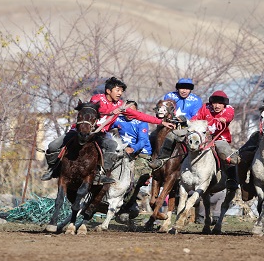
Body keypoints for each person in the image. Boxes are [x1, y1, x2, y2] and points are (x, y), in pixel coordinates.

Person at [42, 77, 174, 184]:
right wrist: (111, 111)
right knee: (53, 145)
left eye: (121, 91)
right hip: (81, 131)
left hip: (99, 135)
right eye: (117, 90)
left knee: (112, 145)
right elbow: (96, 110)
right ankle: (52, 170)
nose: (120, 93)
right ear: (108, 90)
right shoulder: (97, 99)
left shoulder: (119, 105)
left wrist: (161, 122)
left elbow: (139, 115)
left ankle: (102, 174)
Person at [148, 78, 203, 169]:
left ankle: (187, 165)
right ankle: (150, 161)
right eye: (181, 88)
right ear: (178, 88)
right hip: (168, 124)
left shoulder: (196, 100)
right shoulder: (169, 96)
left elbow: (195, 118)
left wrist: (183, 121)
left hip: (186, 126)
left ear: (190, 89)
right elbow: (164, 112)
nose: (184, 91)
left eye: (187, 88)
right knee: (152, 136)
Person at [190, 90, 238, 190]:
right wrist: (190, 122)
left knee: (226, 153)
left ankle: (232, 179)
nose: (217, 106)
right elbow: (196, 117)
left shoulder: (228, 109)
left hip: (220, 138)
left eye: (220, 103)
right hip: (203, 137)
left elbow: (229, 116)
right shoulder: (205, 107)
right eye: (215, 103)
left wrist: (224, 119)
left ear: (224, 104)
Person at [111, 100, 153, 185]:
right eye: (127, 111)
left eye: (132, 111)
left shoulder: (142, 122)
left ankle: (137, 192)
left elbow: (143, 140)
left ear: (137, 111)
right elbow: (106, 126)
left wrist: (132, 149)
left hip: (141, 153)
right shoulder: (118, 119)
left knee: (134, 179)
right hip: (123, 151)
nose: (130, 114)